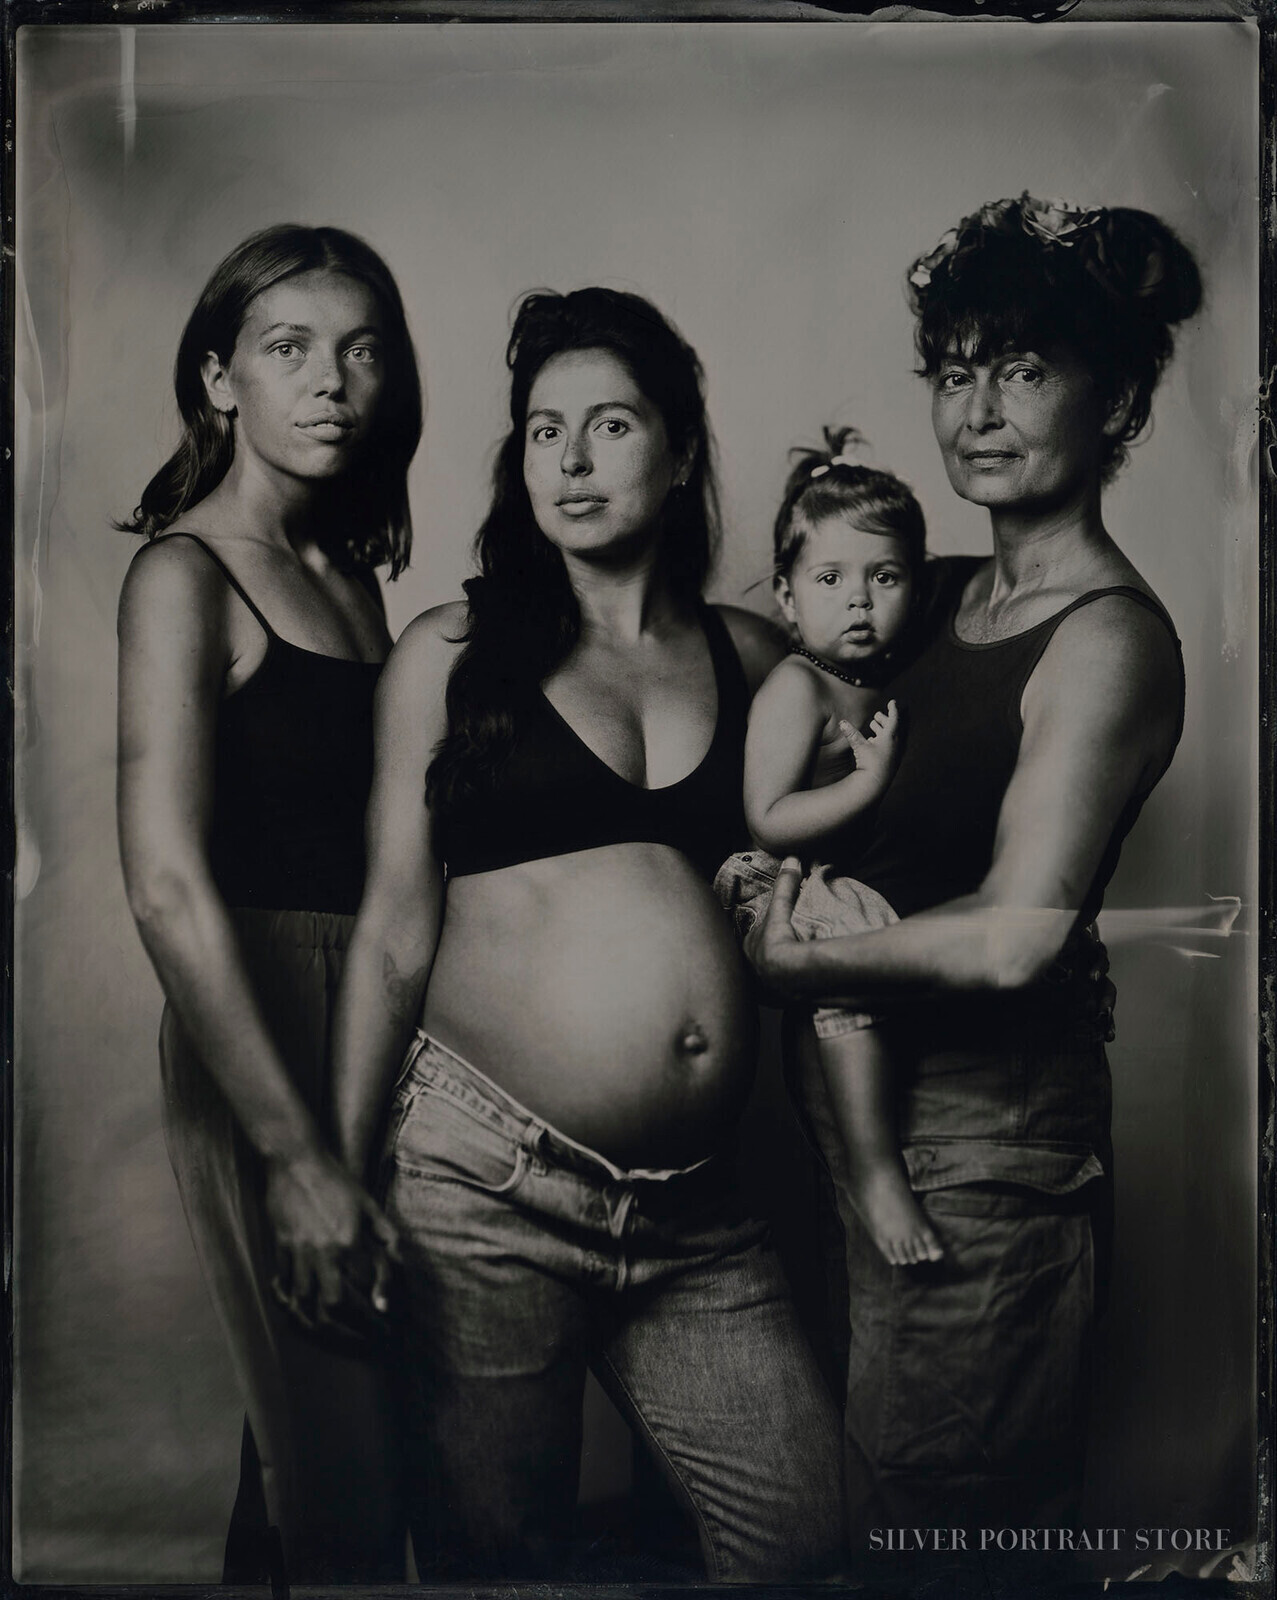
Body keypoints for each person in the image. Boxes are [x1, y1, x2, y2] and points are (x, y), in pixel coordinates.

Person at [331, 286, 844, 1583]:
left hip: (699, 1212)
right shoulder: (448, 655)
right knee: (500, 1565)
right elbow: (392, 928)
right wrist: (336, 1175)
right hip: (481, 1188)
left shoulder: (754, 654)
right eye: (542, 429)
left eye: (608, 425)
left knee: (811, 1543)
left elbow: (824, 848)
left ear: (676, 457)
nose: (566, 458)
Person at [747, 194, 1201, 1551]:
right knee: (874, 1509)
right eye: (955, 373)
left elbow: (1015, 936)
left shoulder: (1108, 640)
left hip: (984, 1147)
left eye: (1023, 370)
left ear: (1114, 399)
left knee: (945, 1542)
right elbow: (783, 651)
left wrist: (795, 960)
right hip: (863, 1122)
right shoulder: (928, 592)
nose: (979, 413)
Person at [116, 224, 422, 1583]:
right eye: (289, 349)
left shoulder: (353, 582)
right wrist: (295, 1154)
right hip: (258, 1021)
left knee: (325, 1443)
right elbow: (165, 881)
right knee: (341, 1472)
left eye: (362, 350)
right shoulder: (188, 575)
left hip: (386, 1020)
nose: (332, 384)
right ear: (216, 381)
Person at [715, 428, 942, 1266]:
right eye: (830, 579)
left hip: (825, 883)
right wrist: (864, 785)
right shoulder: (797, 686)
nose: (858, 601)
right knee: (847, 951)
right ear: (785, 593)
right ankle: (877, 1172)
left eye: (883, 577)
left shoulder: (886, 678)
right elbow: (766, 817)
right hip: (765, 883)